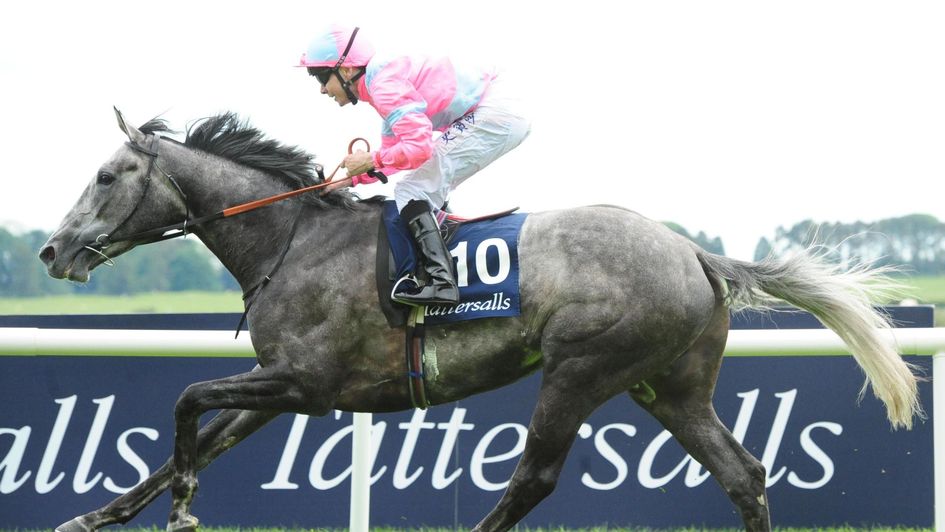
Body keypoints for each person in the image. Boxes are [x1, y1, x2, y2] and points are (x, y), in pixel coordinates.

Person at [299, 24, 530, 306]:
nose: (323, 89)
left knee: (412, 190)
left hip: (495, 110)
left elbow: (418, 149)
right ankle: (444, 262)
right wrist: (350, 180)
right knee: (420, 186)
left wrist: (370, 160)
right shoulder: (379, 83)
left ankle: (442, 284)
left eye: (322, 77)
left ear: (346, 70)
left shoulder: (383, 85)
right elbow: (396, 154)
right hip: (497, 108)